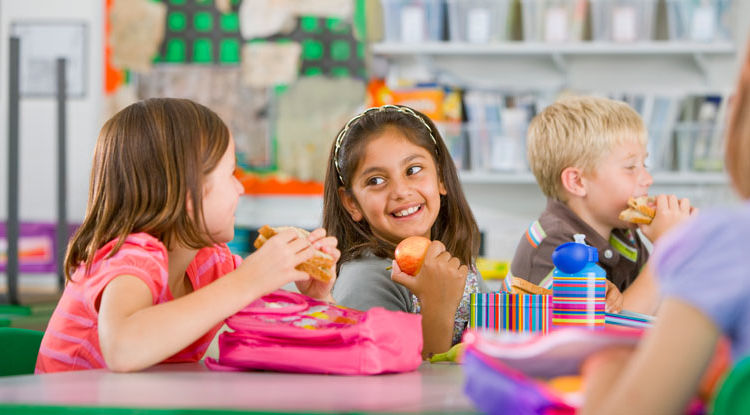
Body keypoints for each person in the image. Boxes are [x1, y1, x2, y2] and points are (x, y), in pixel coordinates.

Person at [36, 98, 339, 373]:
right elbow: (122, 349)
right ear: (185, 190)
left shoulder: (211, 264)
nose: (241, 188)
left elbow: (292, 337)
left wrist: (317, 298)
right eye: (231, 174)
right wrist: (249, 279)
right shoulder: (131, 256)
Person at [581, 44, 750, 415]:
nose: (648, 178)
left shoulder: (724, 238)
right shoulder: (561, 237)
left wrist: (606, 364)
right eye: (631, 167)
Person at [323, 104, 487, 358]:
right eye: (376, 181)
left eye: (413, 170)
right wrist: (437, 306)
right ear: (352, 203)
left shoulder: (458, 261)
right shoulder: (366, 278)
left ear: (441, 176)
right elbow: (405, 385)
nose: (401, 191)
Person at [509, 96, 695, 314]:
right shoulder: (552, 244)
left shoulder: (625, 235)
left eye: (644, 164)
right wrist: (665, 249)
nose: (647, 179)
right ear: (577, 182)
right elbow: (604, 329)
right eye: (630, 167)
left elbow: (659, 307)